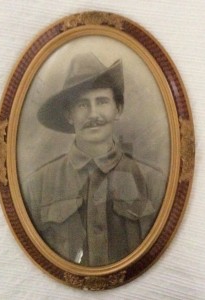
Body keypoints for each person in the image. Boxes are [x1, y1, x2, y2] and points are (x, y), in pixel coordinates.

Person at [22, 53, 166, 267]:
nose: (93, 114)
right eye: (82, 105)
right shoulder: (36, 186)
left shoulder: (153, 183)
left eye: (102, 102)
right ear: (69, 115)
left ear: (118, 109)